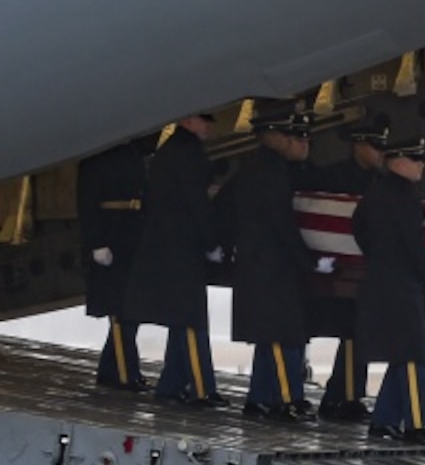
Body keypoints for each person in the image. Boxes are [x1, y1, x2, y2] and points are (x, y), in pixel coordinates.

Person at [221, 107, 333, 422]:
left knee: (269, 336)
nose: (293, 141)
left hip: (255, 264)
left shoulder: (254, 168)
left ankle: (259, 398)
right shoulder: (273, 173)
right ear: (271, 137)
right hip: (273, 268)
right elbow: (281, 225)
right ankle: (288, 399)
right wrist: (310, 261)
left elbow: (226, 208)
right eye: (287, 135)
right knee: (286, 336)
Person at [125, 110, 226, 407]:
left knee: (182, 318)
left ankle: (171, 384)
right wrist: (212, 242)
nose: (208, 126)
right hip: (183, 246)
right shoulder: (188, 154)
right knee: (192, 319)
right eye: (203, 121)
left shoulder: (170, 152)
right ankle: (201, 388)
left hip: (167, 246)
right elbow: (196, 203)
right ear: (186, 121)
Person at [354, 137, 425, 443]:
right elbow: (412, 241)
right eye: (416, 159)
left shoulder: (376, 191)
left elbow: (358, 227)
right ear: (397, 161)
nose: (421, 165)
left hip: (380, 280)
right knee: (415, 355)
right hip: (402, 284)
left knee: (402, 353)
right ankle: (415, 424)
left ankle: (384, 419)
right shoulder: (404, 197)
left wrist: (378, 257)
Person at [307, 121, 388, 421]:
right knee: (348, 331)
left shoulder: (380, 181)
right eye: (375, 146)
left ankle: (345, 395)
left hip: (362, 272)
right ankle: (341, 397)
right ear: (358, 145)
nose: (380, 153)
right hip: (333, 270)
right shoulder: (333, 178)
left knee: (358, 333)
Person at [77, 136, 152, 392]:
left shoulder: (132, 150)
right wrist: (96, 243)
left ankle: (112, 369)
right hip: (112, 236)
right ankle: (123, 371)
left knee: (130, 307)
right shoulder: (95, 156)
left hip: (131, 235)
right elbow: (86, 203)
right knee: (119, 308)